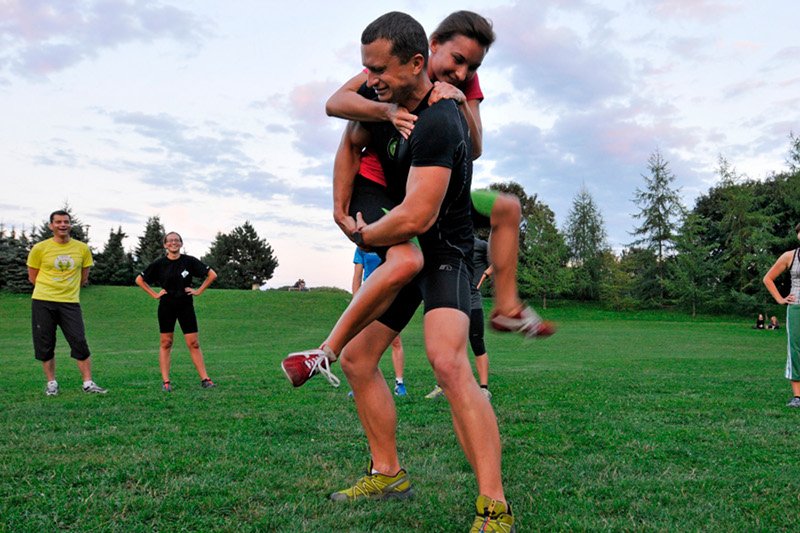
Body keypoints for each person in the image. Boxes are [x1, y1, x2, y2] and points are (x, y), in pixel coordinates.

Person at [283, 12, 514, 530]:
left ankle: (495, 508)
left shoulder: (440, 119)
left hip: (446, 252)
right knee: (361, 361)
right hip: (406, 251)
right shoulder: (380, 103)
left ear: (416, 63)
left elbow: (418, 217)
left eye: (381, 69)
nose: (371, 77)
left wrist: (360, 235)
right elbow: (347, 139)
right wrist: (340, 209)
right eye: (367, 68)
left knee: (448, 364)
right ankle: (387, 473)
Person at [325, 10, 553, 345]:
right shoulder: (392, 70)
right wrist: (386, 112)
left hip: (437, 192)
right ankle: (332, 344)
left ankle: (506, 307)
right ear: (432, 47)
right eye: (458, 60)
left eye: (473, 67)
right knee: (409, 257)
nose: (462, 72)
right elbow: (335, 104)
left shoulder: (463, 84)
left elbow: (474, 147)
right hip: (391, 192)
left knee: (508, 207)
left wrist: (460, 100)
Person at [26, 210, 107, 396]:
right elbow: (33, 277)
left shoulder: (82, 249)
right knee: (45, 343)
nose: (62, 225)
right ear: (51, 226)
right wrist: (50, 289)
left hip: (69, 302)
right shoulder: (39, 248)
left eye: (66, 222)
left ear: (70, 225)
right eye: (58, 222)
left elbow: (83, 277)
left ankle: (88, 383)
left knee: (79, 341)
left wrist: (67, 290)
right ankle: (51, 384)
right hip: (43, 301)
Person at [135, 232, 217, 392]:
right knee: (166, 343)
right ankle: (166, 382)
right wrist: (154, 294)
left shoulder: (189, 261)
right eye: (170, 241)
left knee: (193, 343)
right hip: (166, 306)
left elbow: (212, 275)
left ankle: (205, 379)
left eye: (176, 240)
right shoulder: (159, 264)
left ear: (181, 243)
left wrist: (199, 291)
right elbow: (139, 279)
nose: (173, 243)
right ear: (165, 245)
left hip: (186, 305)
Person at [427, 237, 491, 401]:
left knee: (477, 343)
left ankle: (484, 389)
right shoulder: (450, 244)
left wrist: (484, 275)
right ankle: (442, 386)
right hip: (452, 303)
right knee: (445, 346)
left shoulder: (481, 245)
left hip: (473, 302)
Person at [353, 247, 407, 397]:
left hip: (390, 295)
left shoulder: (389, 243)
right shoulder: (361, 247)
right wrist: (355, 303)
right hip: (368, 296)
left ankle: (399, 383)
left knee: (395, 341)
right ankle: (360, 383)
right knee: (363, 343)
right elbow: (357, 276)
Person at [763, 223, 800, 408]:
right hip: (796, 308)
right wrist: (780, 298)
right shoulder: (789, 256)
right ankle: (797, 396)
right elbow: (768, 278)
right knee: (795, 350)